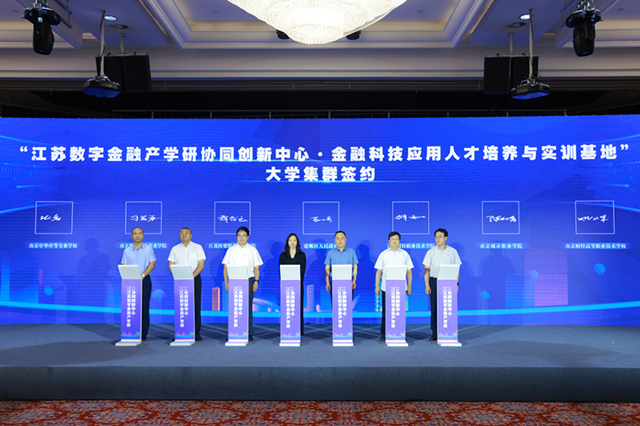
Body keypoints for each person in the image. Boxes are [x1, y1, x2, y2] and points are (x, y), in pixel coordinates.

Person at [222, 226, 263, 341]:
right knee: (234, 307)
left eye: (244, 235)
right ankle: (234, 331)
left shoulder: (252, 250)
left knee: (247, 308)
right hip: (234, 282)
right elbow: (225, 268)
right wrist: (226, 282)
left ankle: (248, 332)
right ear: (236, 237)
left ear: (248, 237)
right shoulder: (231, 250)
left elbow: (256, 268)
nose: (241, 237)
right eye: (239, 235)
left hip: (248, 281)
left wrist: (256, 281)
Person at [423, 228, 461, 341]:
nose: (438, 239)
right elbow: (426, 270)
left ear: (446, 238)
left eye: (440, 236)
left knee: (448, 308)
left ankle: (448, 331)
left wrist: (456, 283)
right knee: (434, 308)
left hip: (449, 282)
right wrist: (427, 285)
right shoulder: (430, 252)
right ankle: (435, 332)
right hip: (434, 282)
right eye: (436, 237)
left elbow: (457, 269)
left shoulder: (453, 251)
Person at [168, 227, 206, 341]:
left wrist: (190, 277)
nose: (184, 235)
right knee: (181, 306)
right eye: (181, 233)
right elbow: (171, 265)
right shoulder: (175, 249)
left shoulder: (197, 247)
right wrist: (178, 276)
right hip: (179, 280)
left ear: (191, 235)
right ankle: (180, 331)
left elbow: (201, 265)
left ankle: (196, 332)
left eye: (186, 233)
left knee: (195, 305)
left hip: (194, 278)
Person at [375, 231, 413, 341]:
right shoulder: (383, 254)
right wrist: (377, 286)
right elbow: (379, 271)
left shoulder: (405, 254)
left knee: (399, 311)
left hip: (401, 288)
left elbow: (409, 271)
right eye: (392, 239)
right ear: (389, 241)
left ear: (399, 241)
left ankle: (399, 332)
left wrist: (409, 286)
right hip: (386, 287)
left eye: (396, 239)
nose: (394, 241)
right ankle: (384, 333)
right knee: (386, 311)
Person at [120, 227, 156, 340]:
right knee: (131, 306)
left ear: (143, 236)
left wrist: (143, 275)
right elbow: (124, 264)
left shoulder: (148, 249)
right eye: (135, 234)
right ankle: (131, 329)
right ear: (132, 236)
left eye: (140, 233)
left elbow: (152, 264)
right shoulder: (127, 250)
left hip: (144, 279)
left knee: (144, 306)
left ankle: (143, 332)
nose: (137, 235)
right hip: (130, 281)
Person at [278, 233, 307, 335]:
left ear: (297, 242)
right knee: (287, 307)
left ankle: (299, 330)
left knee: (298, 307)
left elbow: (302, 271)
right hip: (286, 286)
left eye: (294, 240)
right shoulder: (283, 255)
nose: (292, 242)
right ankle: (287, 328)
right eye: (290, 240)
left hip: (298, 285)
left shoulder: (302, 255)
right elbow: (281, 270)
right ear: (287, 242)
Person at [324, 230, 358, 299]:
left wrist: (354, 280)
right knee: (335, 303)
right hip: (334, 281)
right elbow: (327, 268)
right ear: (334, 240)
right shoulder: (330, 253)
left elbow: (355, 267)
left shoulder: (351, 252)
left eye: (342, 238)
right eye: (337, 238)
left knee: (348, 303)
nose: (340, 240)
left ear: (346, 239)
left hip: (348, 281)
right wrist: (327, 282)